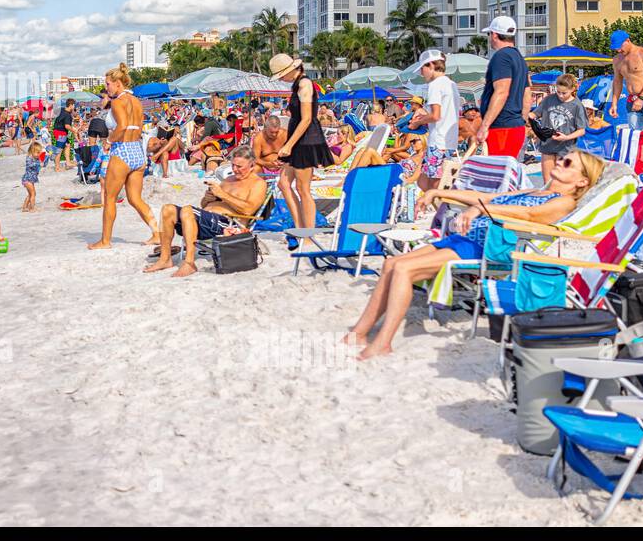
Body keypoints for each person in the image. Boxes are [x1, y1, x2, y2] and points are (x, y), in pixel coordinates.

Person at [346, 151, 603, 360]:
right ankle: (359, 332)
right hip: (466, 239)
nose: (559, 161)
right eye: (561, 157)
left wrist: (479, 210)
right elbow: (487, 196)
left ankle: (383, 342)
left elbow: (528, 216)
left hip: (489, 248)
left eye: (568, 163)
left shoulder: (565, 202)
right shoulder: (535, 192)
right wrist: (440, 193)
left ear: (582, 181)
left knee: (404, 270)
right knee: (392, 263)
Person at [144, 147, 267, 277]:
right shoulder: (228, 180)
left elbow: (248, 210)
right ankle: (165, 259)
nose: (235, 169)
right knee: (168, 209)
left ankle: (189, 263)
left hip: (229, 224)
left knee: (187, 210)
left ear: (252, 164)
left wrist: (222, 194)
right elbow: (204, 205)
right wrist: (207, 198)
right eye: (233, 165)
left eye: (239, 166)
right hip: (207, 221)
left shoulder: (257, 183)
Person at [90, 63, 158, 249]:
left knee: (109, 198)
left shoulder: (119, 101)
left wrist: (108, 142)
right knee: (135, 199)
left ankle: (105, 241)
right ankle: (157, 233)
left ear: (118, 83)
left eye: (108, 84)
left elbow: (122, 127)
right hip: (138, 151)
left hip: (122, 150)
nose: (106, 88)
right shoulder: (136, 101)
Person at [269, 53, 333, 230]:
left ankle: (308, 232)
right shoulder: (297, 85)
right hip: (299, 139)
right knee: (283, 183)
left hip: (307, 140)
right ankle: (300, 227)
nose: (281, 78)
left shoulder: (304, 84)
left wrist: (288, 145)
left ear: (291, 70)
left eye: (282, 75)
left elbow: (306, 119)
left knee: (303, 189)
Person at [476, 15, 530, 158]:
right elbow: (527, 93)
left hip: (501, 127)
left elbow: (501, 92)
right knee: (505, 173)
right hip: (515, 126)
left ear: (494, 35)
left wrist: (484, 126)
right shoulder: (519, 58)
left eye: (489, 34)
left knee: (496, 174)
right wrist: (522, 120)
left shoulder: (502, 57)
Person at [409, 49, 462, 193]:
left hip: (438, 140)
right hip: (449, 140)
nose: (421, 73)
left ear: (431, 65)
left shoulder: (435, 84)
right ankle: (434, 205)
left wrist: (418, 122)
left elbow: (436, 115)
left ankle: (438, 208)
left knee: (433, 183)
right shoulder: (452, 84)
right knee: (423, 181)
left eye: (423, 69)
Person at [531, 73, 587, 185]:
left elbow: (582, 130)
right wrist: (530, 117)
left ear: (572, 89)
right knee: (547, 183)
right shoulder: (549, 99)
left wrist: (566, 137)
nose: (560, 95)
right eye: (558, 92)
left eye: (564, 93)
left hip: (566, 148)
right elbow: (536, 114)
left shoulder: (577, 105)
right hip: (547, 145)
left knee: (561, 182)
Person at [608, 29, 643, 131]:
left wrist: (641, 98)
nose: (618, 50)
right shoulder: (617, 59)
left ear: (628, 40)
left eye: (620, 47)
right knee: (635, 135)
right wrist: (614, 104)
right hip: (632, 99)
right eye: (616, 48)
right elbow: (617, 82)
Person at [52, 99, 77, 172]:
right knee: (59, 150)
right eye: (74, 105)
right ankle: (57, 167)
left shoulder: (62, 110)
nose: (74, 107)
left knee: (67, 145)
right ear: (71, 105)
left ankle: (68, 162)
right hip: (61, 133)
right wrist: (74, 130)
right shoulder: (68, 115)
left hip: (57, 131)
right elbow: (67, 126)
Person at [21, 140, 43, 211]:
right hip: (28, 179)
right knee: (33, 193)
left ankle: (25, 207)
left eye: (39, 152)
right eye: (37, 153)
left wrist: (43, 162)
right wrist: (38, 164)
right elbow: (29, 165)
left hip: (30, 179)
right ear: (32, 151)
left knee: (31, 194)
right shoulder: (29, 158)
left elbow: (40, 165)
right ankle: (32, 208)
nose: (39, 154)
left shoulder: (36, 158)